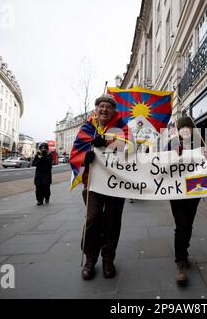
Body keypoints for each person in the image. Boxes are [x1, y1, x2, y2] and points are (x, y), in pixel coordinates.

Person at [70, 94, 131, 281]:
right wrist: (85, 156)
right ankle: (90, 259)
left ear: (114, 110)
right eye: (101, 106)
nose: (104, 109)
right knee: (93, 220)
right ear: (96, 109)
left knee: (113, 222)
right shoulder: (87, 127)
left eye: (108, 107)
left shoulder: (121, 127)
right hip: (93, 183)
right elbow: (77, 151)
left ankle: (108, 259)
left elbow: (129, 149)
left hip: (116, 184)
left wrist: (105, 143)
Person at [169, 116, 202, 285]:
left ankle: (184, 254)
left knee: (188, 223)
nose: (185, 130)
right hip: (176, 190)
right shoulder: (171, 144)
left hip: (195, 188)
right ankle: (180, 262)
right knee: (181, 224)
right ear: (178, 130)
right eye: (182, 128)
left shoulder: (201, 143)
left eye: (188, 127)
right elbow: (161, 164)